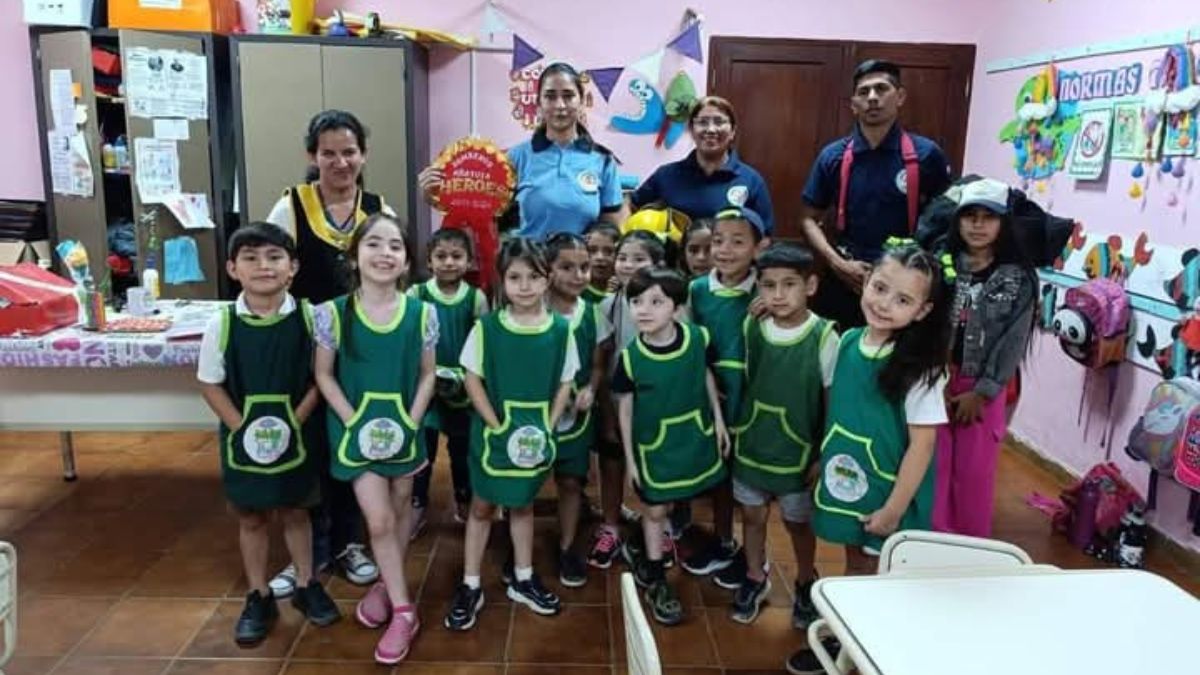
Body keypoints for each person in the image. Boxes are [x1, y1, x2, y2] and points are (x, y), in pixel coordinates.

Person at [787, 241, 950, 675]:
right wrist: (822, 458)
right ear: (865, 282)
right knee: (854, 558)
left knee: (878, 571)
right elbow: (838, 410)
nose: (884, 304)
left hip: (889, 490)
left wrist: (894, 508)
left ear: (922, 311)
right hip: (846, 476)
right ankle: (846, 641)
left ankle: (867, 651)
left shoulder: (921, 369)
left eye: (903, 300)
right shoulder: (848, 342)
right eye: (879, 288)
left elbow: (923, 446)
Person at [196, 223, 340, 647]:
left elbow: (320, 378)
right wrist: (243, 429)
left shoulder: (312, 318)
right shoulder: (222, 323)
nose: (264, 266)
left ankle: (306, 583)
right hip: (243, 439)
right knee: (252, 516)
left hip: (298, 435)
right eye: (251, 258)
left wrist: (293, 422)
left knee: (298, 510)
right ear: (232, 268)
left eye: (275, 257)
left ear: (293, 267)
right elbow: (209, 383)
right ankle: (258, 594)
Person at [265, 109, 383, 595]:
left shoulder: (378, 209)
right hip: (304, 347)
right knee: (308, 446)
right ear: (312, 156)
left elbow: (389, 273)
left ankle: (350, 542)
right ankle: (308, 552)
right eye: (328, 153)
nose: (340, 162)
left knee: (351, 441)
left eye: (349, 152)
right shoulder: (290, 206)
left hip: (357, 349)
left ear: (363, 155)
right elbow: (270, 273)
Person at [312, 214, 436, 664]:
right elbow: (324, 375)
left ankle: (387, 584)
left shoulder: (422, 313)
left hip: (405, 430)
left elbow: (427, 375)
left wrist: (410, 422)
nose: (385, 253)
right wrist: (355, 423)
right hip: (354, 433)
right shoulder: (332, 313)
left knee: (401, 511)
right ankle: (405, 611)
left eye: (395, 246)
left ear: (407, 261)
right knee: (379, 520)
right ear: (354, 256)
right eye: (374, 244)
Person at [444, 238, 578, 631]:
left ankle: (523, 576)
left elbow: (566, 381)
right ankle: (471, 583)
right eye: (515, 277)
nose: (524, 286)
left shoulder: (560, 330)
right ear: (502, 281)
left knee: (522, 503)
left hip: (534, 437)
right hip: (492, 437)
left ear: (546, 279)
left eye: (533, 277)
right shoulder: (487, 329)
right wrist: (496, 424)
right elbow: (472, 378)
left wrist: (549, 424)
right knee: (482, 507)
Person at [612, 267, 730, 626]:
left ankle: (643, 551)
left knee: (678, 500)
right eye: (636, 301)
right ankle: (656, 577)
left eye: (656, 302)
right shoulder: (630, 358)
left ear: (677, 308)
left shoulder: (698, 338)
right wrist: (631, 460)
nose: (643, 310)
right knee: (655, 510)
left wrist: (718, 420)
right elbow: (625, 410)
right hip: (653, 447)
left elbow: (706, 375)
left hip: (693, 436)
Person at [730, 242, 837, 628]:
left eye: (789, 284)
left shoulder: (824, 336)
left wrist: (822, 454)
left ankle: (806, 580)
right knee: (752, 515)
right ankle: (754, 576)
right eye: (768, 285)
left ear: (810, 286)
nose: (777, 295)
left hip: (799, 452)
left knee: (797, 522)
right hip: (753, 443)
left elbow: (832, 403)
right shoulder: (752, 326)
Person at [801, 60, 952, 330]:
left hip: (905, 285)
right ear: (853, 104)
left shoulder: (926, 155)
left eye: (881, 89)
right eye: (864, 92)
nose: (872, 98)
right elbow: (807, 218)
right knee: (837, 349)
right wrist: (837, 264)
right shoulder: (833, 156)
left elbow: (945, 222)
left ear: (900, 97)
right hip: (846, 278)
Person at [933, 178, 1035, 537]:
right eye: (969, 216)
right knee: (933, 466)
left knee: (974, 473)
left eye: (988, 217)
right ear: (957, 220)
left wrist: (983, 391)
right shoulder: (941, 265)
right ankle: (929, 542)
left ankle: (968, 546)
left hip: (982, 387)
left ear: (1003, 223)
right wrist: (932, 377)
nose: (978, 225)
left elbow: (1014, 340)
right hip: (936, 381)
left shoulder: (1018, 278)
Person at [419, 63, 626, 239]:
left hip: (578, 269)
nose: (560, 105)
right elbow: (479, 214)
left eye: (568, 96)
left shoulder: (602, 160)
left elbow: (611, 230)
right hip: (526, 268)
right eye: (550, 96)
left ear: (581, 102)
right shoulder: (513, 158)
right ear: (539, 104)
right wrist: (436, 195)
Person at [680, 206, 767, 588]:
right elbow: (688, 341)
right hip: (710, 394)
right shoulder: (697, 289)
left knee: (747, 479)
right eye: (718, 241)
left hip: (753, 397)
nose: (725, 250)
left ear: (758, 248)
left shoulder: (768, 290)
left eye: (737, 242)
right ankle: (721, 539)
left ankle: (753, 556)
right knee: (717, 471)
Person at [588, 230, 669, 570]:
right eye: (622, 258)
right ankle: (610, 526)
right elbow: (602, 361)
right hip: (617, 400)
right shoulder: (607, 305)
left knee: (657, 466)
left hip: (658, 403)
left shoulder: (672, 306)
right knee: (612, 461)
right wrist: (607, 408)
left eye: (638, 259)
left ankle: (660, 527)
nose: (627, 265)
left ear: (658, 264)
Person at [409, 228, 489, 534]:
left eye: (457, 256)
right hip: (425, 386)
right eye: (441, 256)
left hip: (463, 388)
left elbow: (482, 345)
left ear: (469, 261)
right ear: (429, 260)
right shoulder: (416, 295)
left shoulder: (476, 298)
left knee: (462, 450)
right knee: (423, 449)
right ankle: (417, 505)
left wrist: (467, 376)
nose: (449, 262)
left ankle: (465, 503)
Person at [545, 232, 611, 587]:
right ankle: (516, 547)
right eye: (567, 267)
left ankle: (567, 547)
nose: (578, 275)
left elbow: (598, 365)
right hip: (535, 411)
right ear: (548, 269)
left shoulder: (593, 313)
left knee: (570, 480)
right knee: (525, 480)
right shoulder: (532, 307)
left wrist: (591, 389)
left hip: (576, 415)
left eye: (584, 267)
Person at [631, 96, 774, 234]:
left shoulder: (751, 180)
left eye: (719, 122)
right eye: (703, 122)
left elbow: (765, 235)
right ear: (692, 130)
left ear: (732, 131)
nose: (711, 129)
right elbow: (631, 204)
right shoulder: (666, 175)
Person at [582, 220, 621, 304]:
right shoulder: (575, 288)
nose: (600, 257)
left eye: (609, 251)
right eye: (592, 250)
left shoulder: (626, 292)